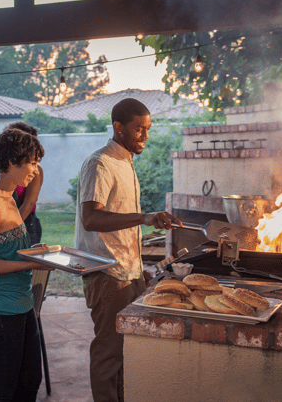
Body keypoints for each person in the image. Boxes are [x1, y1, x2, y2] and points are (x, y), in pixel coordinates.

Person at [75, 98, 183, 402]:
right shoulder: (100, 163)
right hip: (107, 274)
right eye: (139, 129)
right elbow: (91, 218)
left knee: (128, 353)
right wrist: (145, 217)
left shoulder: (126, 163)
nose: (145, 136)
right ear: (118, 128)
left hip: (128, 272)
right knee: (109, 354)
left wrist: (139, 269)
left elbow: (120, 224)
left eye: (148, 129)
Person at [0, 128, 50, 402]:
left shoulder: (10, 199)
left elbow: (8, 250)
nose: (35, 170)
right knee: (5, 390)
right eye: (32, 162)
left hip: (21, 304)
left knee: (30, 380)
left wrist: (35, 253)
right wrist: (25, 264)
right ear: (13, 162)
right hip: (1, 310)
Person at [0, 122, 44, 245]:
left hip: (26, 220)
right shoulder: (13, 170)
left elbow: (29, 203)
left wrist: (11, 229)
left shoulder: (35, 171)